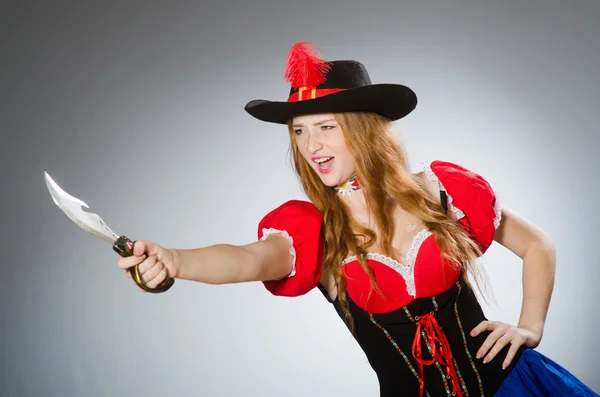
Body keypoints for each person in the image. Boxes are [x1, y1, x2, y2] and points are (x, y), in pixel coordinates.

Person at [117, 42, 598, 396]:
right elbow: (245, 259)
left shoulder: (441, 193)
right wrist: (176, 260)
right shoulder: (314, 234)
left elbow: (538, 245)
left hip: (514, 388)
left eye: (327, 127)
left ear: (364, 130)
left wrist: (529, 328)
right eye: (300, 131)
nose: (311, 146)